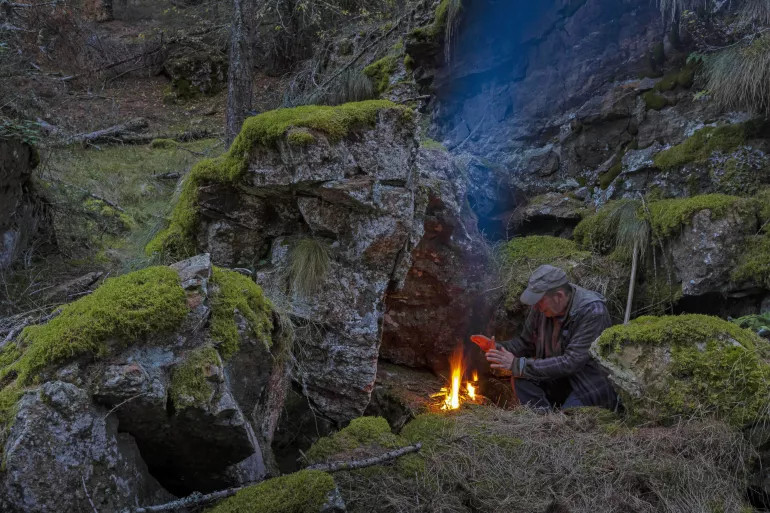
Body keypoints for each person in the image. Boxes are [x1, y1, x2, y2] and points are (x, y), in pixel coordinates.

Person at [471, 264, 617, 410]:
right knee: (521, 378)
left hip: (586, 386)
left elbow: (571, 362)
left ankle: (555, 422)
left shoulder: (592, 311)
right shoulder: (542, 308)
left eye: (539, 301)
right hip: (557, 381)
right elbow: (525, 343)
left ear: (559, 296)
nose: (535, 307)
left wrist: (518, 365)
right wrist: (496, 347)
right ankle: (542, 420)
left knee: (569, 423)